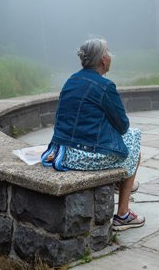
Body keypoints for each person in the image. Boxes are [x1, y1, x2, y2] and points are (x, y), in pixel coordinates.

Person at [42, 38, 144, 231]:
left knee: (124, 144)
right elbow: (123, 126)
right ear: (104, 60)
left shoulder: (71, 80)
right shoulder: (105, 86)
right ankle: (123, 215)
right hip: (84, 157)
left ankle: (119, 182)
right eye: (109, 54)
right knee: (134, 138)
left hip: (63, 155)